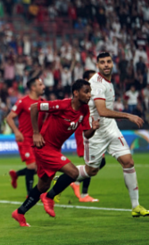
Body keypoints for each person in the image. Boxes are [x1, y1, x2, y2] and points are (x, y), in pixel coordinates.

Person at [12, 79, 100, 227]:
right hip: (43, 147)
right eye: (86, 91)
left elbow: (86, 134)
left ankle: (20, 213)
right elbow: (34, 107)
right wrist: (36, 133)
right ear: (76, 93)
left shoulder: (85, 110)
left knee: (43, 185)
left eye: (90, 92)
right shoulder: (62, 105)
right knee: (73, 173)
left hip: (55, 149)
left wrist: (94, 128)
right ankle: (50, 197)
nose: (89, 95)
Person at [84, 52, 147, 216]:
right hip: (96, 131)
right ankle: (64, 179)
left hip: (110, 128)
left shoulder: (108, 82)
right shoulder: (96, 84)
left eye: (108, 62)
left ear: (112, 64)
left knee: (128, 161)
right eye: (102, 62)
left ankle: (136, 206)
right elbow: (102, 111)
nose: (106, 64)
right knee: (91, 171)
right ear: (97, 65)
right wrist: (128, 115)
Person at [68, 70, 106, 203]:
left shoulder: (93, 93)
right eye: (92, 78)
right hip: (85, 130)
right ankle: (83, 193)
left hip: (94, 130)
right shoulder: (83, 97)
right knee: (92, 162)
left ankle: (76, 181)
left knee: (101, 161)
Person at [6, 77, 45, 195]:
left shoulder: (43, 102)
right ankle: (30, 194)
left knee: (38, 168)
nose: (43, 87)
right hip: (25, 139)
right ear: (33, 88)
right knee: (32, 166)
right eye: (40, 85)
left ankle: (16, 174)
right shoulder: (22, 102)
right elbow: (9, 118)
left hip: (37, 139)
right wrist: (17, 132)